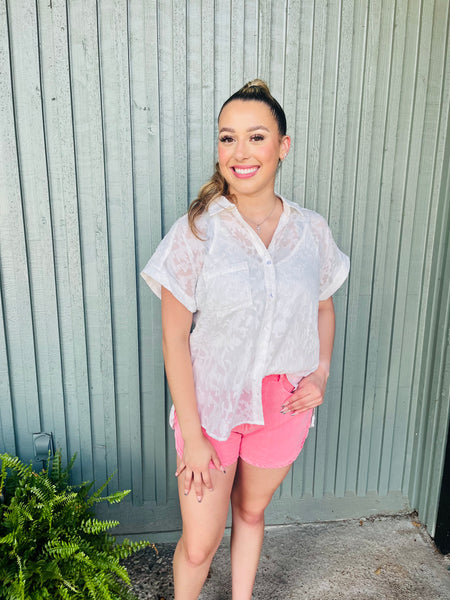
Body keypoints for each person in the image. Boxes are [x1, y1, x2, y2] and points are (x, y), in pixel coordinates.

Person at [141, 79, 350, 600]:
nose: (240, 152)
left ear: (282, 145)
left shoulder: (311, 231)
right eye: (226, 138)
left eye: (256, 137)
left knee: (251, 513)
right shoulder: (196, 231)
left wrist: (321, 371)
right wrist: (192, 435)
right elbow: (173, 337)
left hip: (284, 405)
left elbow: (324, 305)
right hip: (209, 409)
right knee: (199, 544)